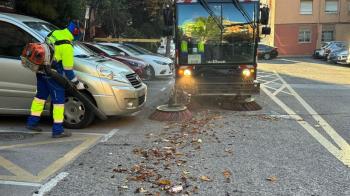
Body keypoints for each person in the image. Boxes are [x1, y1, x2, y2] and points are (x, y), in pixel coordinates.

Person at [26, 20, 85, 138]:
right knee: (58, 102)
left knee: (40, 98)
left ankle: (32, 123)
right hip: (53, 74)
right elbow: (68, 70)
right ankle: (57, 130)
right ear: (76, 32)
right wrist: (77, 83)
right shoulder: (67, 46)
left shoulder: (54, 32)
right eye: (80, 32)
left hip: (41, 69)